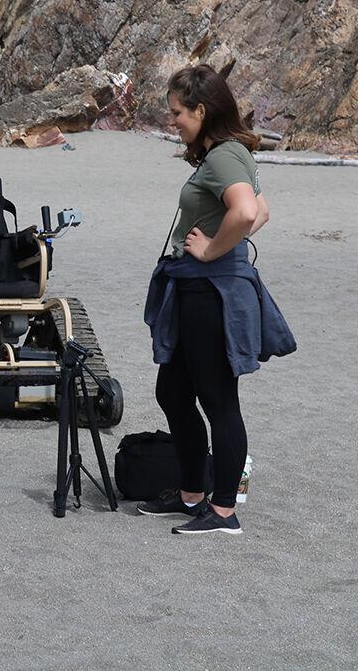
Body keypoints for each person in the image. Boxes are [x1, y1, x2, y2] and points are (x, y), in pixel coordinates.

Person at [140, 64, 295, 534]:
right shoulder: (224, 154)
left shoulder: (225, 155)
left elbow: (246, 212)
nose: (172, 121)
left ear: (201, 111)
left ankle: (224, 511)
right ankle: (192, 494)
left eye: (177, 113)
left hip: (211, 291)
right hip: (197, 288)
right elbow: (261, 210)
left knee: (218, 400)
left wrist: (211, 249)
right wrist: (222, 244)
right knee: (172, 391)